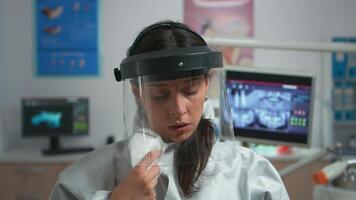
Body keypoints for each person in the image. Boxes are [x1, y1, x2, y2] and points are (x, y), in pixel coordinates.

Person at [50, 20, 289, 200]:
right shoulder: (85, 178)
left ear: (207, 84)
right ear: (137, 92)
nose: (177, 109)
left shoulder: (251, 172)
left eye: (190, 90)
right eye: (160, 95)